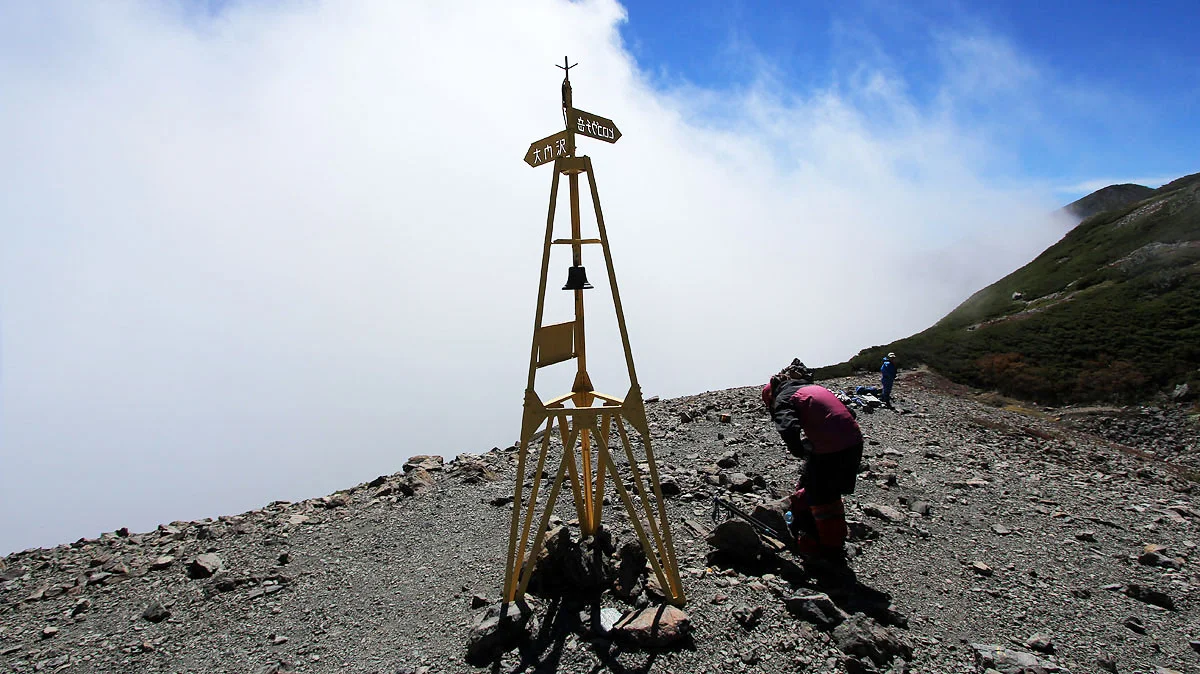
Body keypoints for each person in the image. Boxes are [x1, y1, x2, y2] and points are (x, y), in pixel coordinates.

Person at [761, 359, 863, 558]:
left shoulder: (784, 396)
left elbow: (788, 427)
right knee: (825, 488)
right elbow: (849, 413)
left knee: (821, 496)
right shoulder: (811, 388)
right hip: (853, 441)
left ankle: (823, 549)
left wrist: (798, 449)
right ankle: (824, 538)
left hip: (832, 447)